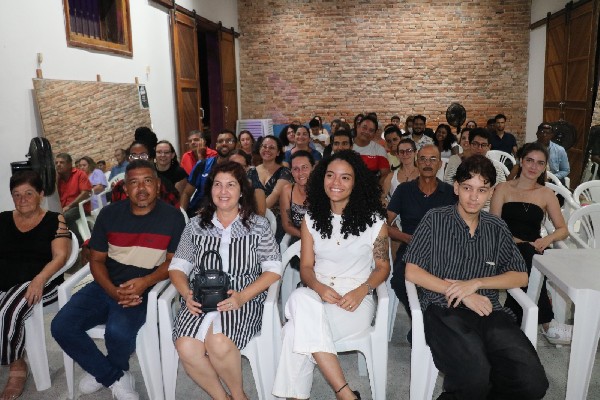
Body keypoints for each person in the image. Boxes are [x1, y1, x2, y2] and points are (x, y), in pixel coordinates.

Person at [405, 154, 548, 400]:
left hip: (488, 311)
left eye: (481, 190)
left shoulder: (496, 227)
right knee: (474, 376)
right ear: (456, 188)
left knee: (533, 382)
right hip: (443, 310)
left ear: (491, 192)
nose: (474, 197)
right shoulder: (435, 219)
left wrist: (477, 283)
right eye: (467, 188)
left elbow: (520, 276)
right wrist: (461, 294)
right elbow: (412, 271)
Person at [52, 160, 185, 400]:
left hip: (144, 289)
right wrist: (112, 291)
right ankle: (114, 376)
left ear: (157, 185)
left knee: (118, 333)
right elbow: (96, 260)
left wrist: (145, 282)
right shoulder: (109, 214)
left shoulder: (173, 218)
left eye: (147, 181)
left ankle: (108, 370)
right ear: (125, 188)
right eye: (134, 182)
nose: (141, 188)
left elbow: (173, 262)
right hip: (105, 284)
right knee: (61, 325)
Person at [273, 150, 390, 400]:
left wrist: (363, 291)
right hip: (317, 292)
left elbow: (383, 267)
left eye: (345, 177)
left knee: (293, 331)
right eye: (330, 175)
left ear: (356, 182)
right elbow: (306, 268)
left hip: (354, 299)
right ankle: (344, 392)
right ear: (322, 178)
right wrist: (319, 287)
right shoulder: (311, 218)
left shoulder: (375, 221)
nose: (336, 183)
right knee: (301, 300)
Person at [170, 161, 282, 400]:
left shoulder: (258, 225)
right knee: (186, 346)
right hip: (200, 296)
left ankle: (239, 395)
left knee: (218, 342)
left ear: (241, 191)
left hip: (244, 296)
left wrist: (242, 297)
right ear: (210, 189)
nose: (223, 191)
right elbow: (177, 267)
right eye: (217, 185)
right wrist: (186, 293)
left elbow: (274, 269)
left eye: (231, 185)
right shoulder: (195, 226)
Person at [490, 142, 571, 344]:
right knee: (528, 254)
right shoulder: (503, 188)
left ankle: (511, 314)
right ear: (521, 161)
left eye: (540, 163)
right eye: (529, 161)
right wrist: (515, 240)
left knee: (529, 254)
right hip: (503, 247)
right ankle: (547, 322)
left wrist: (547, 239)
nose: (534, 167)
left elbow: (563, 229)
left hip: (534, 249)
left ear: (544, 167)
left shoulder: (546, 194)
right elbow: (493, 226)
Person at [0, 171, 71, 400]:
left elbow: (60, 257)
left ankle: (17, 365)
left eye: (29, 193)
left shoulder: (55, 219)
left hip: (42, 282)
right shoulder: (3, 219)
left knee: (7, 311)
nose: (22, 199)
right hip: (6, 280)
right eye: (16, 194)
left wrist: (39, 279)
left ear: (40, 194)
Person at [387, 144, 457, 317]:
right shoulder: (404, 190)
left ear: (440, 164)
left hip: (442, 251)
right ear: (417, 162)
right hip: (410, 248)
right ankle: (419, 319)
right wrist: (406, 238)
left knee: (448, 283)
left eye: (433, 159)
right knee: (399, 281)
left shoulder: (450, 193)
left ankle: (431, 321)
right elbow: (383, 224)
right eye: (423, 159)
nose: (427, 163)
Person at [180, 130, 238, 215]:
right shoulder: (203, 165)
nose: (224, 144)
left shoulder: (240, 167)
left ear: (237, 145)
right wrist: (182, 215)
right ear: (216, 146)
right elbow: (187, 193)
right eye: (220, 141)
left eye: (229, 141)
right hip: (198, 213)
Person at [111, 141, 180, 208]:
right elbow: (113, 212)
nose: (138, 159)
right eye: (133, 156)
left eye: (143, 156)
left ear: (150, 159)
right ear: (128, 160)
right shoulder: (119, 188)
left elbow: (174, 213)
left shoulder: (165, 187)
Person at [280, 150, 314, 250]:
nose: (300, 173)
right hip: (298, 238)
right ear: (291, 171)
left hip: (322, 239)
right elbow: (287, 225)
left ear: (313, 168)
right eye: (296, 169)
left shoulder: (323, 189)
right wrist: (305, 237)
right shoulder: (287, 191)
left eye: (305, 167)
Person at [55, 152, 92, 244]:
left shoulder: (79, 174)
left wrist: (69, 206)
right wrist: (56, 178)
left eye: (61, 162)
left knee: (64, 217)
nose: (58, 165)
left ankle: (80, 243)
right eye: (56, 163)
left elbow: (85, 193)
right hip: (64, 209)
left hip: (80, 207)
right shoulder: (58, 179)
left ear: (69, 164)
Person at [228, 149, 267, 217]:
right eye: (233, 165)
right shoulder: (219, 188)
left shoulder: (257, 191)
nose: (237, 169)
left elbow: (260, 218)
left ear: (247, 168)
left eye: (242, 166)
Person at [352, 114, 390, 181]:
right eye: (364, 128)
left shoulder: (379, 150)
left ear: (374, 134)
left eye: (371, 130)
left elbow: (385, 175)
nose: (367, 132)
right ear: (357, 127)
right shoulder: (346, 145)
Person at [382, 138, 419, 203]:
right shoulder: (391, 177)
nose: (405, 154)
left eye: (409, 151)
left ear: (415, 153)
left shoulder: (424, 175)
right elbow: (381, 197)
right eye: (401, 151)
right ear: (397, 155)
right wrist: (387, 205)